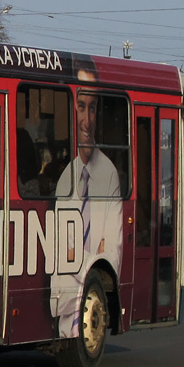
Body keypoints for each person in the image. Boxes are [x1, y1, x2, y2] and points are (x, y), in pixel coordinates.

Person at [50, 61, 123, 339]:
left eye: (92, 108)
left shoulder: (108, 176)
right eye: (81, 107)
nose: (87, 119)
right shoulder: (61, 176)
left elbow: (109, 252)